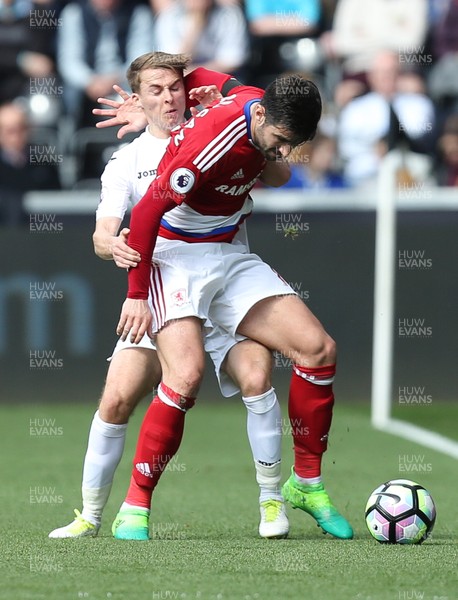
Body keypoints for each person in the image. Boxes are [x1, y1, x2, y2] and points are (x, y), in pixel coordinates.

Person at [48, 53, 290, 541]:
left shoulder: (218, 125)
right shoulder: (128, 161)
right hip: (164, 291)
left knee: (258, 375)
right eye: (155, 90)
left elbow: (279, 174)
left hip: (222, 284)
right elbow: (103, 232)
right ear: (138, 100)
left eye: (175, 87)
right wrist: (108, 243)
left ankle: (272, 502)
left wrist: (236, 116)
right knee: (116, 399)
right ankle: (90, 516)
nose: (169, 97)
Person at [112, 69, 354, 541]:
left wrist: (188, 79)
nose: (284, 154)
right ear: (260, 114)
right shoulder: (209, 144)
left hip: (228, 256)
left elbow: (210, 76)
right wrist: (137, 294)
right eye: (282, 141)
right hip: (174, 257)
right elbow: (145, 214)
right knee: (184, 377)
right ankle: (134, 506)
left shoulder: (253, 99)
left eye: (294, 144)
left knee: (319, 350)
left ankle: (306, 484)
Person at [337, 50, 436, 188]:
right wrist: (377, 148)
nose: (387, 77)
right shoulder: (354, 108)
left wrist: (389, 143)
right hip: (365, 180)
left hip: (410, 179)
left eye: (391, 71)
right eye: (382, 72)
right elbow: (347, 147)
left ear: (400, 74)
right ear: (371, 76)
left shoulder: (418, 103)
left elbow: (418, 133)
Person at [56, 0, 153, 127]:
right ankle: (71, 140)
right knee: (69, 95)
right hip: (86, 86)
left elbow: (141, 58)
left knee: (145, 88)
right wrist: (89, 81)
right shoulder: (74, 13)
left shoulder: (138, 12)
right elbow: (69, 61)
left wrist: (116, 79)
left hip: (125, 81)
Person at [0, 102, 60, 226]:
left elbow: (56, 199)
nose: (16, 136)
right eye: (10, 131)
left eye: (21, 128)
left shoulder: (43, 161)